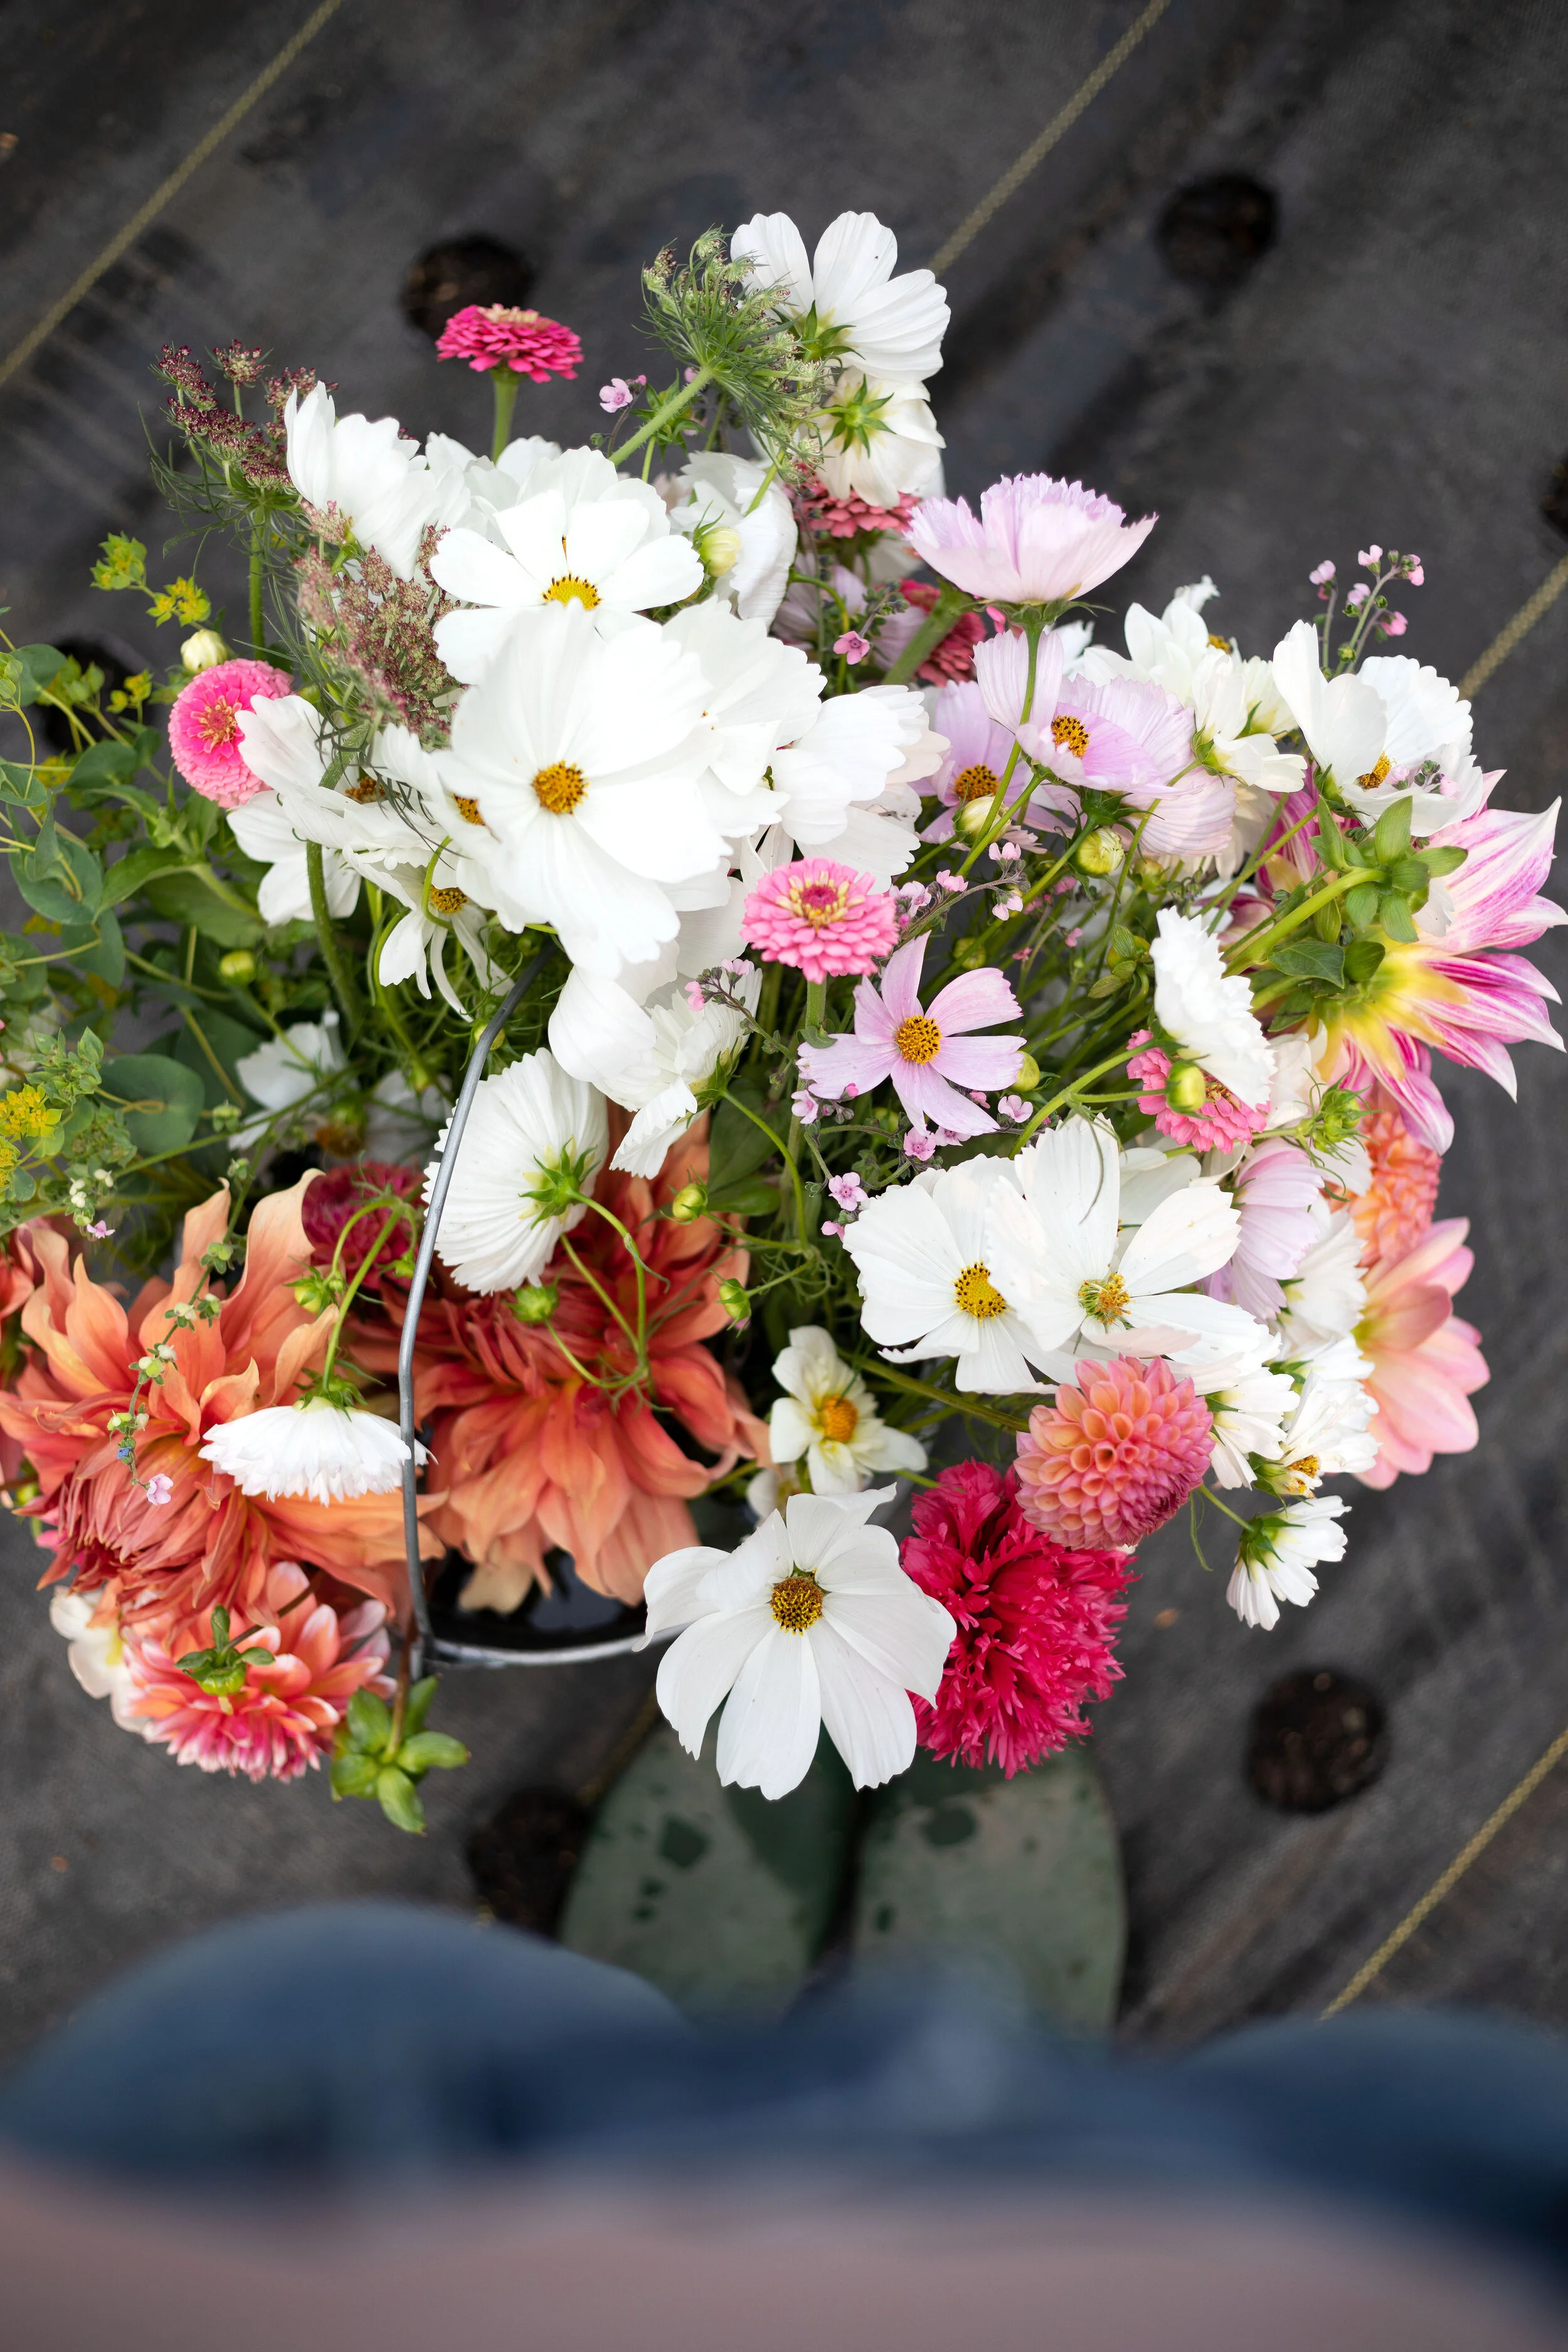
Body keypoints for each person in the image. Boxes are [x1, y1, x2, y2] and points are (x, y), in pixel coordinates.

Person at [0, 1900, 1564, 2349]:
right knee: (1338, 2097)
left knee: (365, 1988)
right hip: (1415, 2233)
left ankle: (678, 2019)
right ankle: (1054, 2084)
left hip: (324, 2197)